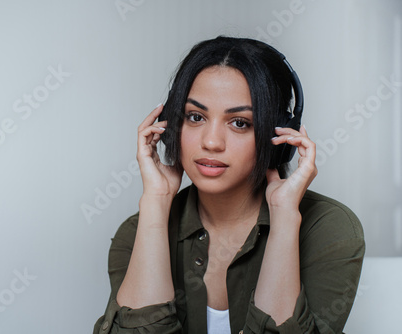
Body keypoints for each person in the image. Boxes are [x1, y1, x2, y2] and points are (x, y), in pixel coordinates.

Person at [93, 36, 365, 334]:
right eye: (195, 117)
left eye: (240, 123)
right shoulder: (137, 233)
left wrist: (284, 220)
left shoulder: (329, 229)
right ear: (171, 127)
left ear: (279, 138)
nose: (211, 142)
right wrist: (156, 202)